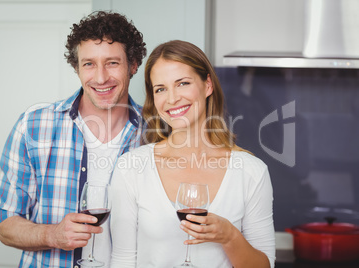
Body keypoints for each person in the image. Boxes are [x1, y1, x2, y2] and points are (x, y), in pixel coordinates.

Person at [0, 11, 146, 267]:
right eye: (88, 64)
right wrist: (52, 235)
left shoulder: (155, 133)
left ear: (133, 65)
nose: (100, 77)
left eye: (112, 63)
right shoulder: (34, 125)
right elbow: (5, 225)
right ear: (77, 68)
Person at [110, 40, 275, 267]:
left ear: (208, 85)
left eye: (183, 83)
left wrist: (229, 236)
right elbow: (122, 261)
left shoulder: (251, 172)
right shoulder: (130, 168)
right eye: (160, 89)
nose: (172, 98)